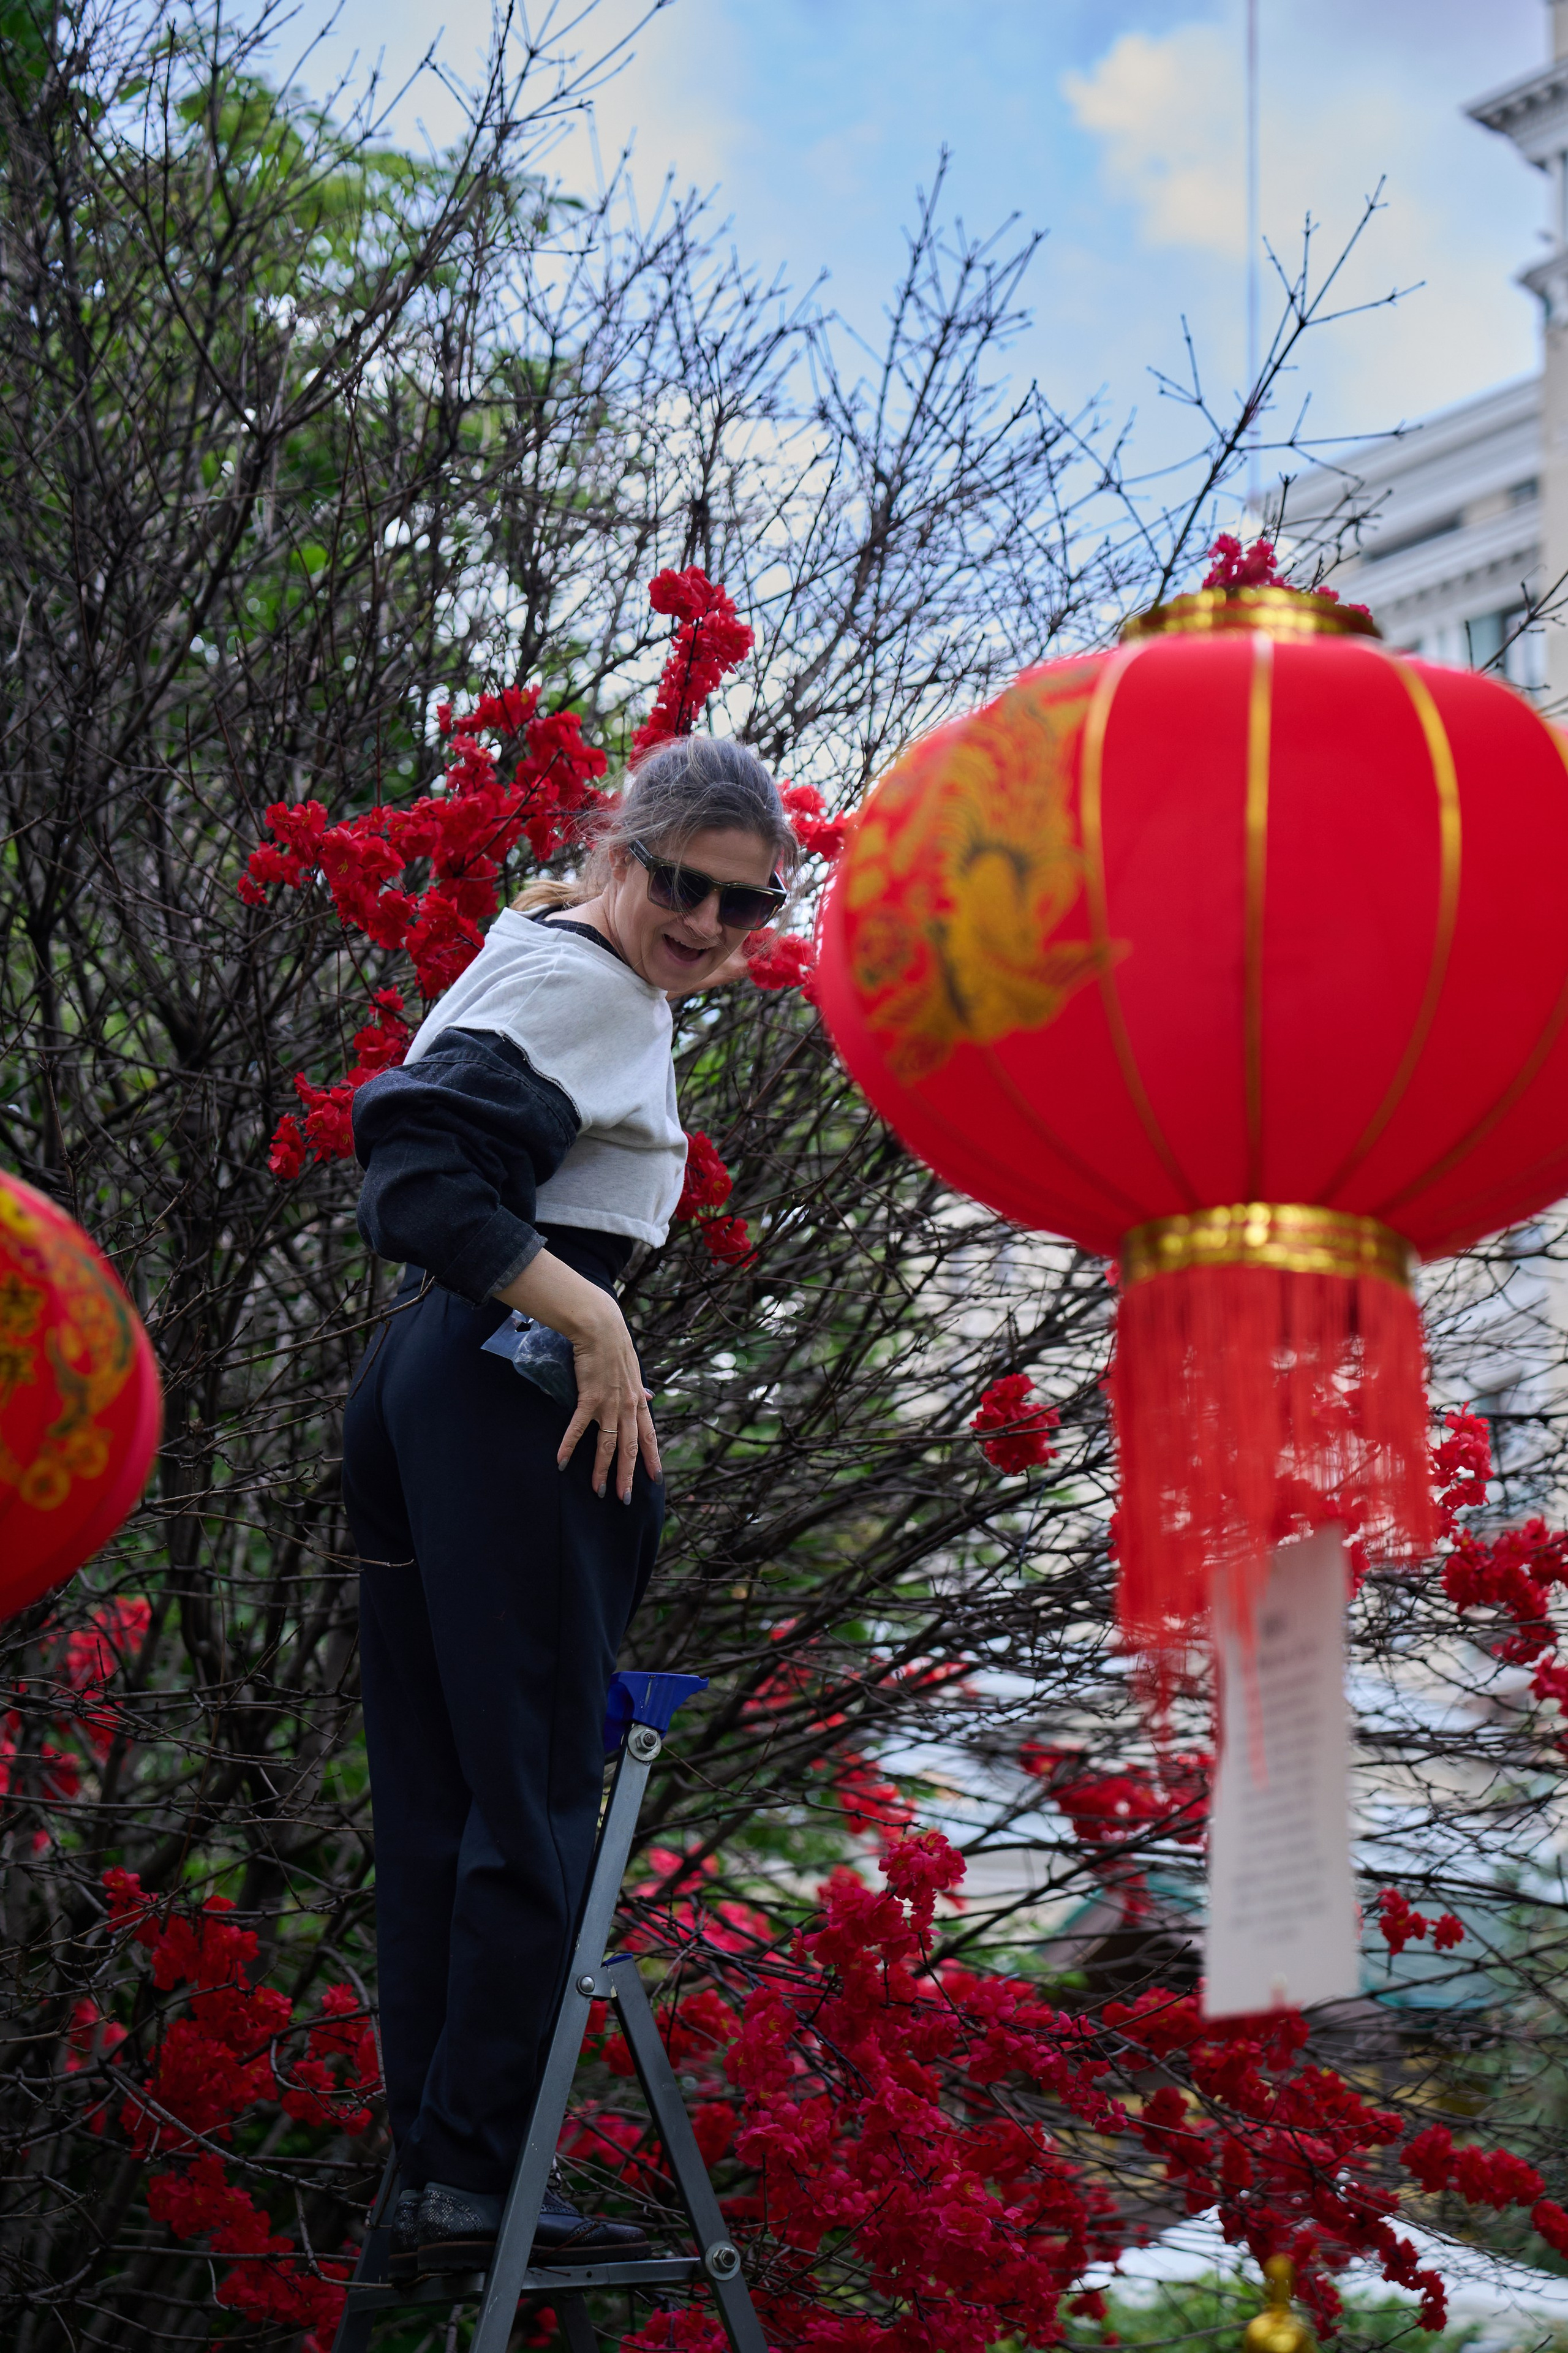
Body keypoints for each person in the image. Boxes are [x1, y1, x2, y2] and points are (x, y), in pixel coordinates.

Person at [342, 736, 795, 2279]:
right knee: (532, 1787)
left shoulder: (550, 957)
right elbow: (414, 1170)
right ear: (620, 852)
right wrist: (593, 1323)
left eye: (747, 907)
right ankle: (470, 2178)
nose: (709, 926)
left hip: (442, 1374)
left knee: (450, 1798)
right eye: (683, 885)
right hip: (507, 1382)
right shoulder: (588, 984)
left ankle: (441, 2175)